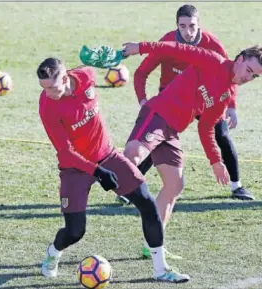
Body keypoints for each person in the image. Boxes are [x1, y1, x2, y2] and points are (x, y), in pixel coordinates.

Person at [37, 58, 189, 283]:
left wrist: (110, 58)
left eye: (52, 86)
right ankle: (53, 252)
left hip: (107, 155)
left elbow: (91, 66)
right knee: (75, 231)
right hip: (74, 168)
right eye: (44, 88)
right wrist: (97, 172)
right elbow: (65, 152)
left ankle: (160, 269)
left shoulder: (86, 75)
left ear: (66, 77)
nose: (48, 92)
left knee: (147, 202)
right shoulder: (47, 107)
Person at [122, 41, 262, 258]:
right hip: (157, 114)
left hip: (172, 130)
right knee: (133, 156)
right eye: (249, 71)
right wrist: (140, 47)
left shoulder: (226, 95)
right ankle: (95, 169)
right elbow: (175, 49)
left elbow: (206, 127)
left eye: (255, 76)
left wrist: (215, 161)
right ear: (240, 59)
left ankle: (152, 245)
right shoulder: (213, 60)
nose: (248, 78)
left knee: (175, 185)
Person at [117, 5, 254, 215]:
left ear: (199, 25)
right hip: (173, 97)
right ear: (176, 26)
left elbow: (232, 77)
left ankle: (236, 185)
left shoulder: (212, 46)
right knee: (154, 140)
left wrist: (232, 107)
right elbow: (142, 72)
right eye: (183, 26)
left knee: (221, 133)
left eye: (192, 26)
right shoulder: (168, 41)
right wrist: (142, 99)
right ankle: (129, 186)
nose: (188, 32)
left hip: (206, 98)